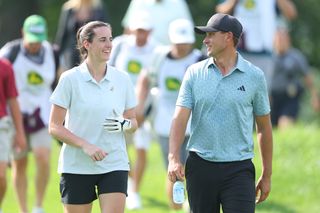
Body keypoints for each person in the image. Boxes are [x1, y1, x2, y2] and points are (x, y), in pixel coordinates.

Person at [167, 13, 273, 213]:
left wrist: (267, 174)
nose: (205, 40)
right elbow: (180, 119)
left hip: (239, 170)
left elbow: (264, 128)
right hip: (200, 167)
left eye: (211, 35)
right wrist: (173, 158)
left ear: (228, 37)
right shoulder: (194, 73)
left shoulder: (254, 76)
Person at [48, 21, 138, 213]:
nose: (109, 45)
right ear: (86, 44)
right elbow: (54, 126)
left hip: (114, 162)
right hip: (76, 165)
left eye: (111, 39)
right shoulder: (70, 79)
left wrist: (125, 124)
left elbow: (134, 122)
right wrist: (85, 145)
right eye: (102, 40)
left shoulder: (122, 79)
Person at [136, 18, 205, 212]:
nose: (182, 46)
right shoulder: (160, 58)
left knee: (194, 168)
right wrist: (140, 109)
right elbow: (145, 80)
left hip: (195, 123)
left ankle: (191, 204)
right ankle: (175, 207)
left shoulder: (199, 60)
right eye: (178, 42)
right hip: (166, 122)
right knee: (174, 168)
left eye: (185, 42)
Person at [0, 14, 60, 213]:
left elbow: (59, 80)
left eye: (38, 41)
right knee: (20, 163)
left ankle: (38, 206)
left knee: (43, 157)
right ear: (23, 33)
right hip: (15, 114)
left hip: (43, 113)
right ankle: (23, 209)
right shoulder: (11, 52)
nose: (35, 45)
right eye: (31, 40)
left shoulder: (52, 52)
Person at [108, 13, 159, 210]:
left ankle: (135, 191)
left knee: (141, 148)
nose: (141, 35)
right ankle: (129, 183)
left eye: (144, 31)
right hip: (119, 107)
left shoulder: (156, 50)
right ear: (132, 29)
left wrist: (142, 108)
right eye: (138, 30)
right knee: (122, 148)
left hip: (145, 108)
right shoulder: (120, 45)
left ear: (150, 32)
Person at [216, 0, 297, 90]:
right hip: (238, 53)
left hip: (264, 54)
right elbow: (220, 13)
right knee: (235, 93)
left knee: (260, 96)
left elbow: (291, 13)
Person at [270, 28, 320, 129]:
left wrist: (315, 97)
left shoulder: (296, 57)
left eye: (283, 39)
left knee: (285, 125)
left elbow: (307, 77)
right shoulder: (268, 57)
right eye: (278, 39)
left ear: (288, 41)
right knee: (272, 130)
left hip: (290, 97)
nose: (280, 42)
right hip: (272, 98)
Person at [0, 58, 27, 213]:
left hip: (1, 125)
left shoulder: (5, 66)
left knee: (1, 177)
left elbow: (12, 100)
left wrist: (20, 133)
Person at [55, 0, 108, 71]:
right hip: (72, 57)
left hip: (93, 54)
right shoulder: (68, 9)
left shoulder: (98, 9)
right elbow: (62, 36)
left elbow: (105, 33)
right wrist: (56, 60)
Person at [121, 0, 193, 45]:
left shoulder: (178, 3)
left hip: (168, 57)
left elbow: (187, 31)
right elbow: (128, 29)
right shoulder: (138, 2)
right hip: (141, 55)